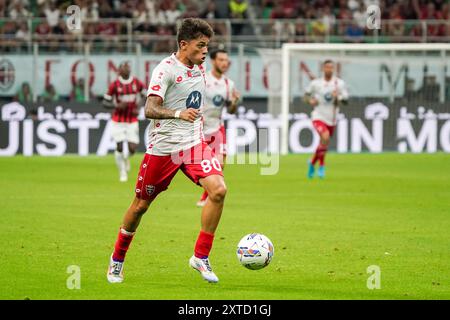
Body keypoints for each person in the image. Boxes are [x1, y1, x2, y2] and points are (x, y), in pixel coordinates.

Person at [107, 18, 226, 284]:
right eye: (201, 45)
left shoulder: (200, 67)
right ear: (184, 45)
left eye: (208, 46)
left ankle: (200, 256)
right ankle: (117, 259)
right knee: (140, 206)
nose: (206, 51)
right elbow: (149, 109)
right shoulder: (165, 69)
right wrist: (177, 113)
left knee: (218, 191)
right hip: (163, 149)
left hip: (193, 144)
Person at [197, 49, 240, 207]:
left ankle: (206, 196)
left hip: (216, 127)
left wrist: (234, 102)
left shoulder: (229, 84)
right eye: (221, 59)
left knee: (219, 163)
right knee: (198, 164)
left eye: (226, 60)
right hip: (199, 128)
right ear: (213, 61)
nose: (224, 63)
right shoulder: (203, 79)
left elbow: (230, 110)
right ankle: (207, 192)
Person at [304, 60, 348, 179]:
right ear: (323, 69)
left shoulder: (339, 83)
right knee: (325, 137)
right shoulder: (316, 84)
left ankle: (312, 163)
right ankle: (322, 166)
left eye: (331, 67)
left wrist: (337, 96)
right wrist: (310, 101)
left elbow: (346, 101)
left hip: (332, 118)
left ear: (333, 69)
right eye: (327, 67)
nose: (329, 69)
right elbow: (306, 96)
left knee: (324, 142)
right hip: (318, 115)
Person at [103, 62, 146, 182]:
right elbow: (105, 102)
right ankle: (122, 171)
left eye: (128, 67)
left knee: (132, 148)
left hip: (132, 120)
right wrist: (116, 105)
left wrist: (138, 107)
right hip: (118, 120)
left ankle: (126, 158)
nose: (127, 69)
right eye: (124, 67)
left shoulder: (136, 82)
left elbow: (145, 95)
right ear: (119, 71)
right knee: (120, 146)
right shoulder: (115, 85)